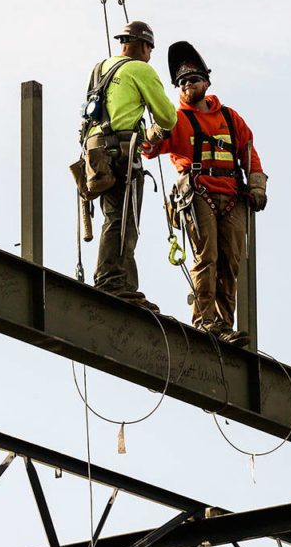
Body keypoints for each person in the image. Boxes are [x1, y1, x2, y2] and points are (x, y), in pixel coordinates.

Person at [145, 41, 267, 345]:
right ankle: (205, 321)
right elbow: (150, 148)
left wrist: (257, 187)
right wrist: (153, 130)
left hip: (233, 198)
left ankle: (225, 324)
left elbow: (250, 153)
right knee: (207, 258)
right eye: (182, 82)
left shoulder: (230, 118)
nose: (187, 85)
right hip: (200, 194)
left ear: (206, 82)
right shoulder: (176, 119)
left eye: (193, 79)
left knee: (230, 262)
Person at [83, 21, 177, 311]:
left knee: (114, 216)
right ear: (143, 46)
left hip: (96, 153)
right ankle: (113, 281)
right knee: (125, 220)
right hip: (122, 155)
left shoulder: (100, 68)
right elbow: (168, 117)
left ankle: (120, 282)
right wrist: (158, 133)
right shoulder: (140, 70)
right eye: (150, 49)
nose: (150, 55)